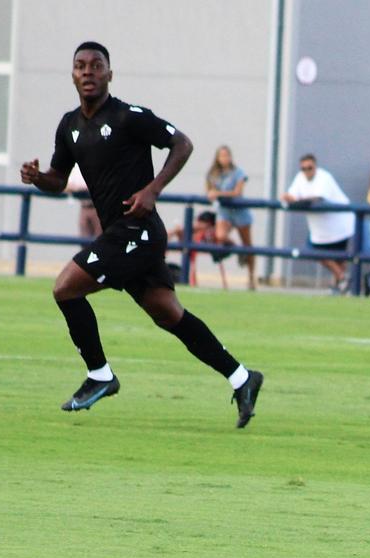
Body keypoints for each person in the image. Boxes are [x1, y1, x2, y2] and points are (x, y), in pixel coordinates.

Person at [20, 42, 262, 426]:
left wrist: (153, 190)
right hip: (121, 234)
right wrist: (38, 179)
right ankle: (243, 378)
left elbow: (182, 143)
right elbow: (59, 178)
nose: (88, 72)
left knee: (65, 287)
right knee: (168, 314)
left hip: (139, 231)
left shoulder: (129, 117)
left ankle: (100, 376)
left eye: (96, 66)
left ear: (109, 74)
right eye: (80, 66)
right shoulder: (69, 126)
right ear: (72, 75)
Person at [281, 153, 353, 292]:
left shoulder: (324, 177)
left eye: (310, 168)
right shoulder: (300, 178)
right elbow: (291, 195)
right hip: (320, 229)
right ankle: (342, 280)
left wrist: (296, 200)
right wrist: (288, 197)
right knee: (315, 252)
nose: (307, 171)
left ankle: (340, 284)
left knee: (336, 257)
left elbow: (317, 198)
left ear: (315, 167)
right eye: (304, 168)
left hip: (340, 225)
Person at [205, 145, 256, 290]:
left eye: (227, 155)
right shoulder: (213, 173)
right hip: (224, 210)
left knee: (248, 244)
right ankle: (238, 249)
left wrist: (219, 194)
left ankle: (251, 278)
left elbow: (237, 192)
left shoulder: (238, 172)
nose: (225, 158)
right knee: (220, 236)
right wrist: (212, 193)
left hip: (239, 210)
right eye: (222, 155)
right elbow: (209, 191)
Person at [167, 210, 228, 289]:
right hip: (192, 265)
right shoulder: (194, 233)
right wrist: (177, 232)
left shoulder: (213, 234)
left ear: (208, 224)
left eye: (199, 222)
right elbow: (173, 235)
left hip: (213, 254)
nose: (196, 224)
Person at [66, 164, 101, 239]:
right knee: (84, 241)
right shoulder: (77, 166)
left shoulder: (98, 162)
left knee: (99, 241)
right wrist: (78, 188)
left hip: (98, 207)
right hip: (84, 207)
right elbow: (66, 185)